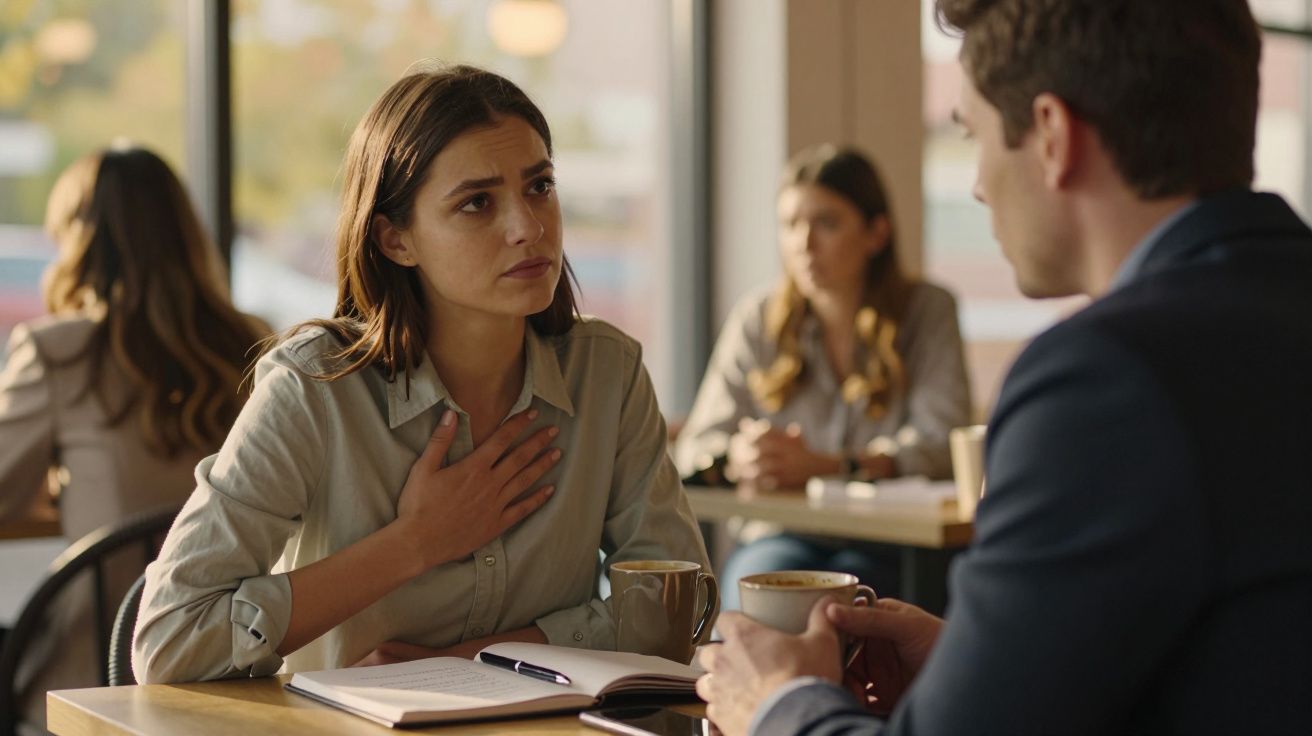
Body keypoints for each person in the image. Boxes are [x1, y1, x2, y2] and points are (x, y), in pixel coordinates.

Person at [697, 0, 1312, 734]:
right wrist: (979, 663)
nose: (980, 185)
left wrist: (776, 704)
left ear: (1052, 135)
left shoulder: (1101, 381)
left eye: (973, 136)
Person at [131, 64, 711, 683]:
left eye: (539, 186)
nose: (529, 227)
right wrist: (413, 543)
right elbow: (170, 641)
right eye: (477, 203)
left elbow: (681, 607)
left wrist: (478, 660)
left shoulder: (608, 372)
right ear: (395, 240)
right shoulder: (313, 388)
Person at [0, 144, 268, 733]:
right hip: (240, 663)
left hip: (101, 668)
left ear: (79, 240)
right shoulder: (253, 343)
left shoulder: (59, 351)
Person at [674, 145, 970, 605]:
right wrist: (738, 458)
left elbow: (941, 443)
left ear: (876, 233)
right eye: (790, 224)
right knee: (759, 589)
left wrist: (827, 467)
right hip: (785, 536)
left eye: (826, 223)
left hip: (891, 542)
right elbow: (697, 446)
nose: (803, 243)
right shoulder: (758, 319)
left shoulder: (928, 311)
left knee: (846, 601)